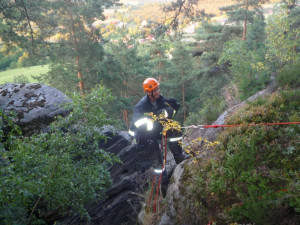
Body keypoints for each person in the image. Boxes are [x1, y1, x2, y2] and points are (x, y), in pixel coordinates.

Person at [128, 78, 189, 164]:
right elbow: (136, 123)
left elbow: (172, 110)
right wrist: (153, 118)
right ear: (149, 92)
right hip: (145, 136)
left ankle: (179, 156)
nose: (158, 92)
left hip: (157, 129)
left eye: (158, 89)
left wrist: (166, 112)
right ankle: (161, 175)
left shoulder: (160, 99)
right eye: (155, 90)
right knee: (157, 161)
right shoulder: (141, 106)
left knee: (176, 129)